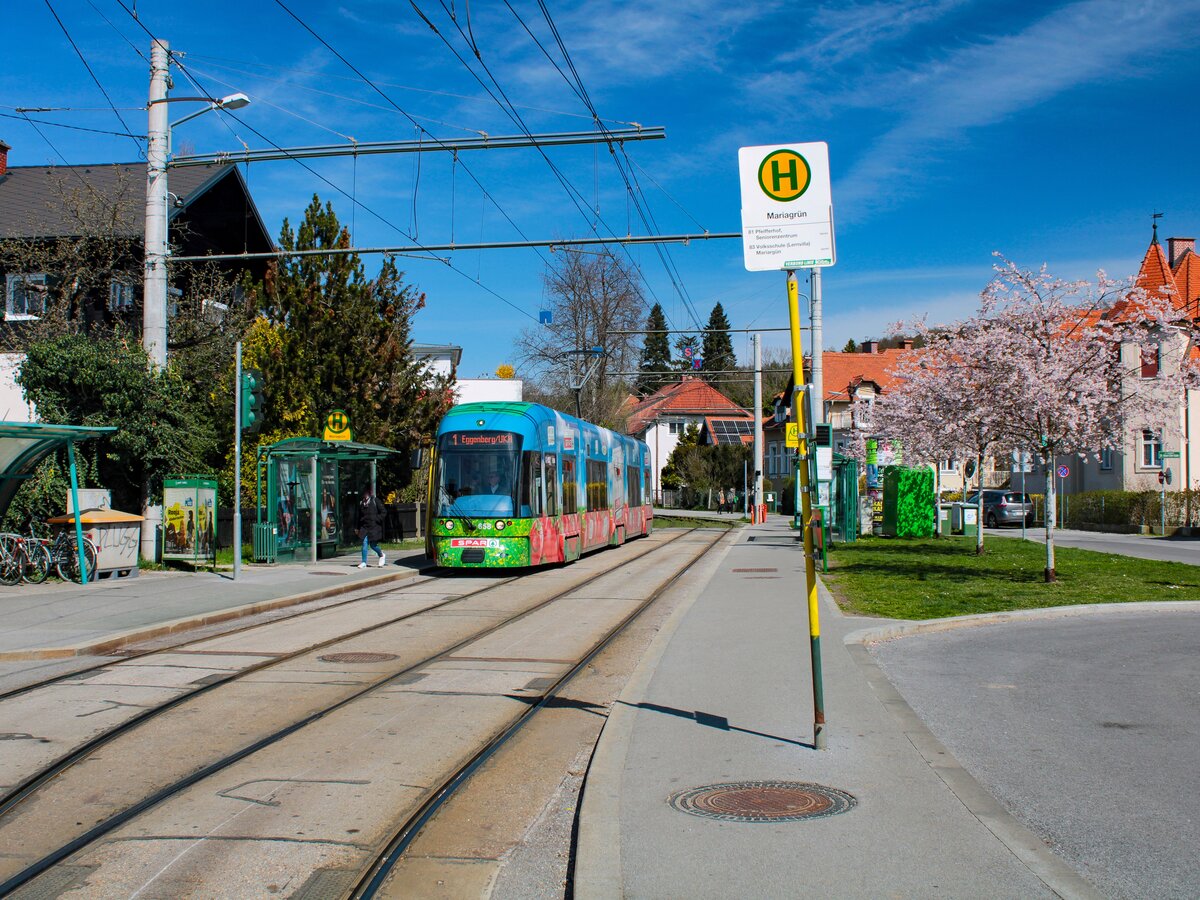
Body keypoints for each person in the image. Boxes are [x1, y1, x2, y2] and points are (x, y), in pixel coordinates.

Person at [356, 485, 386, 568]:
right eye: (363, 493)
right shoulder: (362, 503)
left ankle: (381, 555)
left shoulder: (375, 501)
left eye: (366, 493)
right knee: (364, 543)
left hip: (374, 527)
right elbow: (359, 517)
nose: (364, 495)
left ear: (369, 493)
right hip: (365, 527)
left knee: (373, 545)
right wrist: (357, 528)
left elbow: (384, 512)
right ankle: (363, 562)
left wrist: (377, 519)